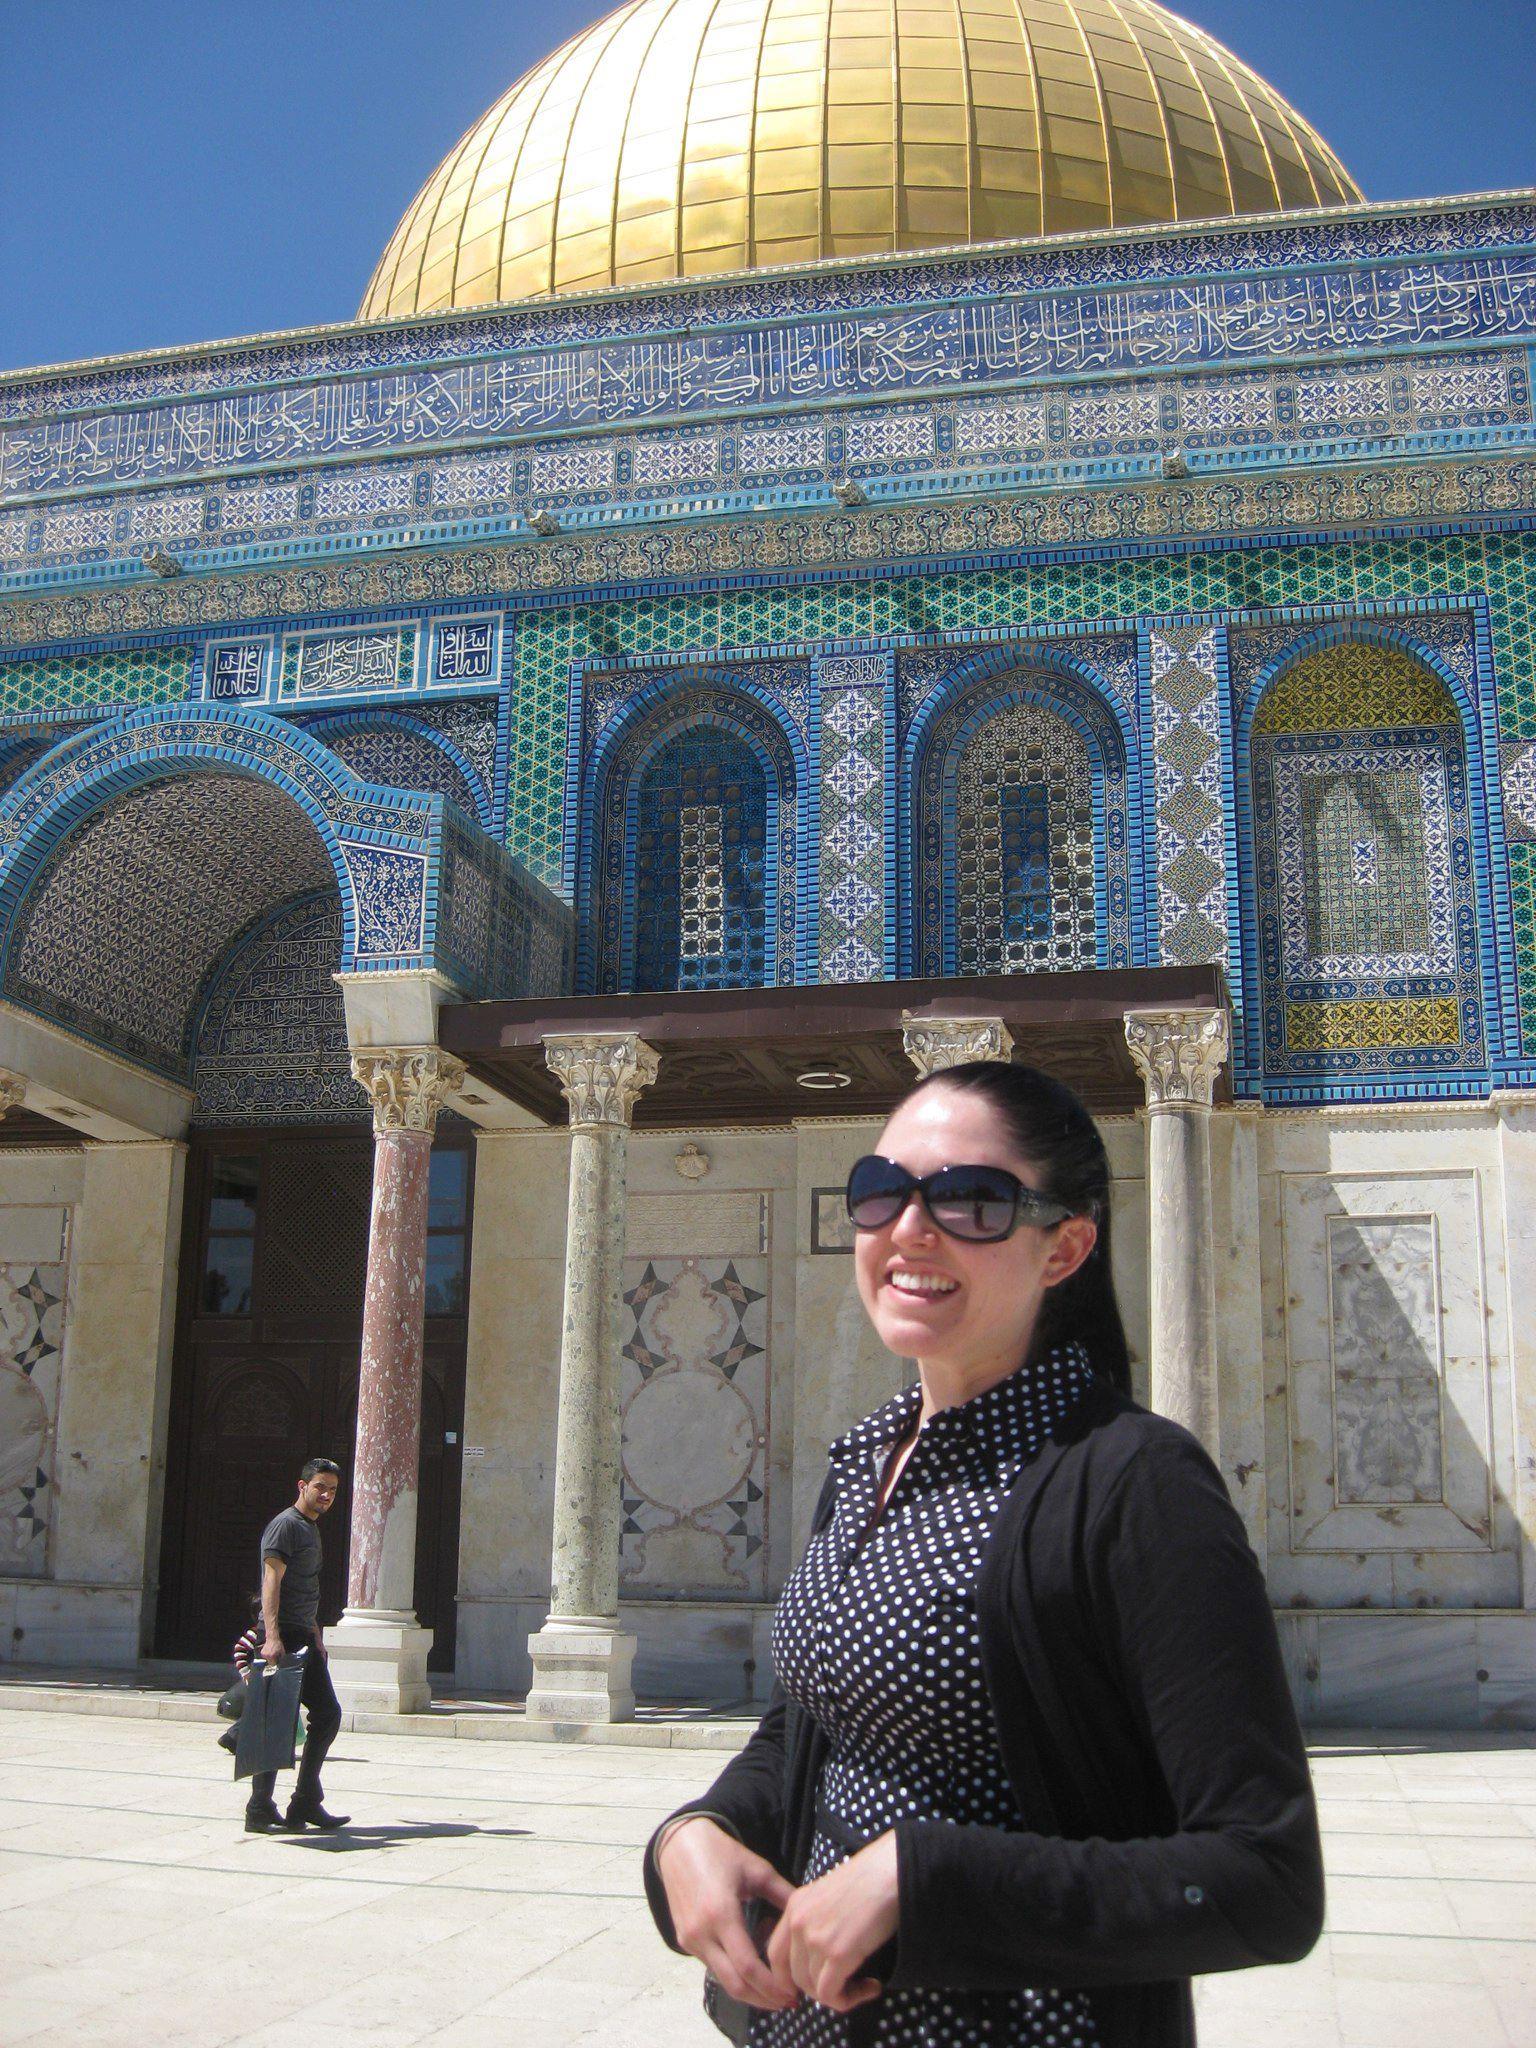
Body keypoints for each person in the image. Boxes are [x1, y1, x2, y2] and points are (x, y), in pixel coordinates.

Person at [644, 1062, 1323, 2048]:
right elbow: (813, 1728)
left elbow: (1266, 1877)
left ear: (1066, 1247)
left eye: (973, 1199)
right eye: (884, 1190)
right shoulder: (869, 1458)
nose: (911, 1230)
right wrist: (696, 1832)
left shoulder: (1134, 1484)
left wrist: (928, 1878)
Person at [242, 1456, 350, 1834]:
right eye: (320, 1487)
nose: (326, 1495)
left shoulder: (309, 1527)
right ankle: (289, 1803)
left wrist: (316, 1630)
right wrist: (271, 1637)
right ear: (302, 1486)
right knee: (315, 1714)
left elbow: (305, 1587)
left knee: (291, 1717)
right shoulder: (286, 1526)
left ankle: (273, 1805)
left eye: (333, 1490)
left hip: (301, 1633)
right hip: (283, 1635)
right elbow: (271, 1581)